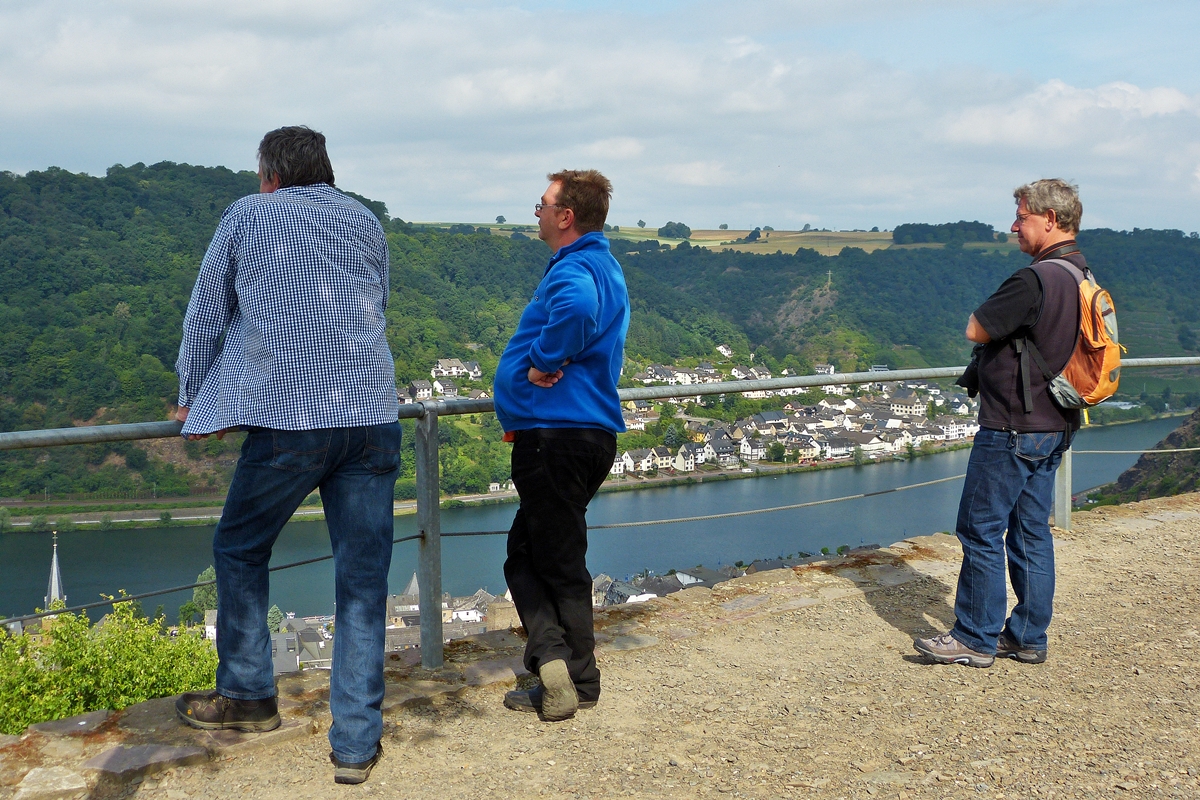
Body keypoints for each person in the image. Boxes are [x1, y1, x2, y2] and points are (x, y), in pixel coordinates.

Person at [173, 126, 400, 785]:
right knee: (362, 583)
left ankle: (248, 696)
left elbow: (208, 310)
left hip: (293, 420)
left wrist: (191, 394)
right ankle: (355, 749)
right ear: (324, 170)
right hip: (372, 416)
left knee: (240, 549)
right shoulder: (363, 218)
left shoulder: (248, 214)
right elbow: (377, 304)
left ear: (269, 173)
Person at [915, 179, 1087, 668]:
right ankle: (1028, 636)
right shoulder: (1080, 274)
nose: (1014, 226)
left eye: (1022, 216)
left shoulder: (1034, 279)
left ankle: (974, 636)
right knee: (1031, 529)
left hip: (1012, 425)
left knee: (980, 530)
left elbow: (976, 326)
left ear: (1050, 220)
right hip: (1055, 423)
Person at [493, 169, 630, 721]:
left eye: (542, 205)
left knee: (548, 559)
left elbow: (573, 311)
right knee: (539, 552)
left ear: (565, 216)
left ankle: (564, 671)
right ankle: (567, 669)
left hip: (555, 436)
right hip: (585, 434)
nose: (537, 213)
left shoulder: (576, 268)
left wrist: (543, 362)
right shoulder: (606, 265)